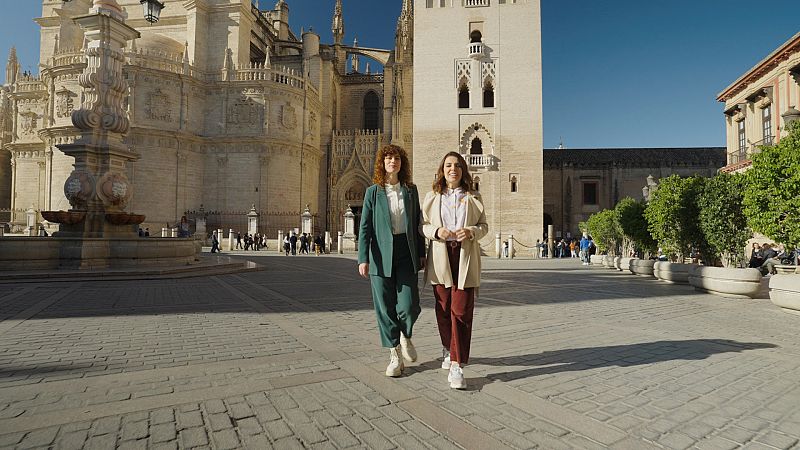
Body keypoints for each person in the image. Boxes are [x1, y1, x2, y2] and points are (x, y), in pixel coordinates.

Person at [421, 151, 488, 390]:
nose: (453, 169)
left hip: (465, 256)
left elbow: (484, 226)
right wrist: (436, 232)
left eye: (458, 165)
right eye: (448, 165)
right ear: (442, 170)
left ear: (463, 170)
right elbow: (424, 226)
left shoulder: (474, 196)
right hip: (441, 256)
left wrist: (471, 231)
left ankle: (457, 364)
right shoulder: (432, 197)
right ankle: (449, 348)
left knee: (461, 310)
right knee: (443, 309)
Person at [358, 144, 426, 378]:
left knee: (409, 304)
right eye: (388, 158)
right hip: (380, 254)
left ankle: (405, 335)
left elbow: (417, 223)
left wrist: (421, 253)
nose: (392, 161)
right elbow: (365, 227)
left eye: (396, 158)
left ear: (401, 163)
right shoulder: (372, 192)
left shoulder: (411, 190)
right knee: (385, 307)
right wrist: (363, 258)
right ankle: (394, 353)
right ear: (382, 163)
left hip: (406, 251)